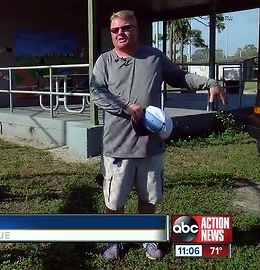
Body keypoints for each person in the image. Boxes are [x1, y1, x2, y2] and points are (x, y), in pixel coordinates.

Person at [90, 10, 228, 260]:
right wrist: (127, 108)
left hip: (150, 146)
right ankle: (115, 240)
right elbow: (97, 93)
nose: (121, 33)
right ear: (111, 34)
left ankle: (147, 238)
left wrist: (210, 82)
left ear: (136, 29)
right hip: (116, 147)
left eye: (126, 27)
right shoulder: (104, 62)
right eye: (115, 30)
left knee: (148, 197)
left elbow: (180, 76)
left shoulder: (153, 57)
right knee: (114, 201)